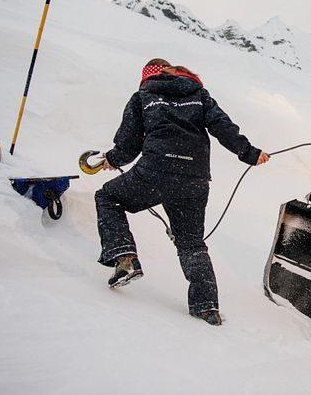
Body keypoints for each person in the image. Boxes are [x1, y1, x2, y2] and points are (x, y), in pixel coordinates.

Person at [94, 58, 270, 326]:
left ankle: (125, 257)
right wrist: (250, 153)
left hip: (154, 171)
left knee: (108, 197)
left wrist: (112, 160)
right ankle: (206, 307)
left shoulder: (142, 96)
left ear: (147, 77)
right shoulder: (198, 94)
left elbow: (128, 144)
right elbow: (223, 126)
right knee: (191, 243)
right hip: (193, 179)